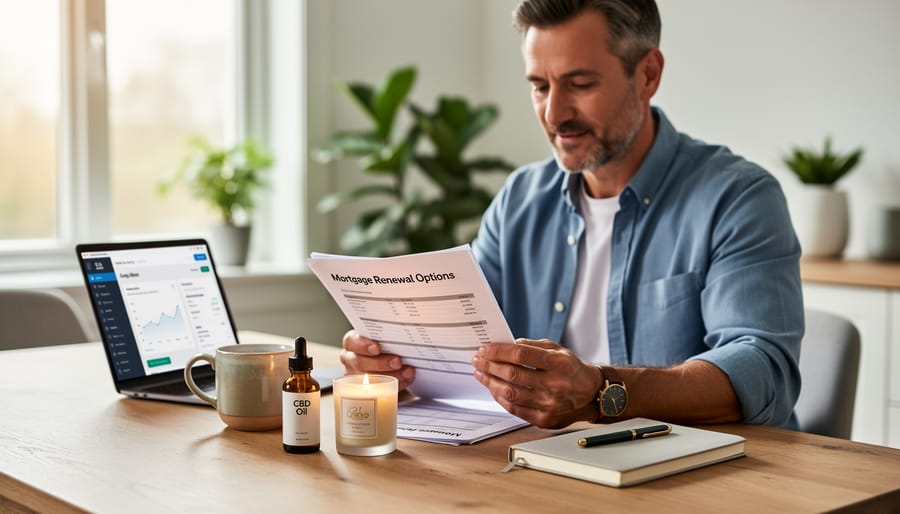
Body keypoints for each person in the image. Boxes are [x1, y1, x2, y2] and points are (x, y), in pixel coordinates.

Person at [340, 0, 804, 430]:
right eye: (539, 86)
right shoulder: (521, 198)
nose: (555, 113)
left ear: (647, 75)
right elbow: (463, 338)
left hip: (702, 478)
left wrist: (602, 390)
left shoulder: (738, 197)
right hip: (551, 468)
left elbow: (764, 371)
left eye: (580, 84)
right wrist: (395, 364)